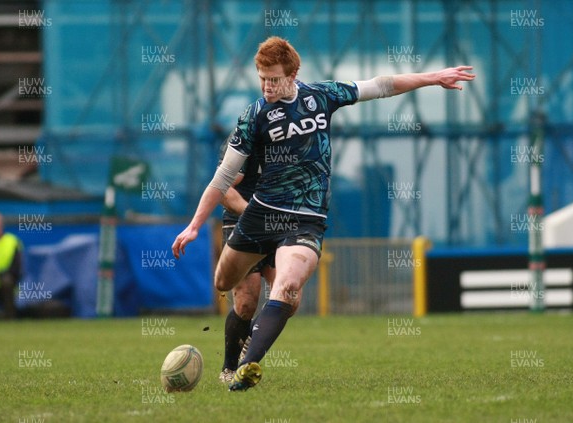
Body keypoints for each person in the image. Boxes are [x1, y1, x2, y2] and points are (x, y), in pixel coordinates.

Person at [172, 36, 475, 391]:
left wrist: (433, 76)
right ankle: (234, 356)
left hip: (305, 218)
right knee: (232, 289)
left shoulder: (321, 97)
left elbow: (381, 85)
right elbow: (223, 180)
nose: (267, 87)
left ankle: (245, 368)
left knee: (287, 289)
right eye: (262, 79)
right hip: (257, 213)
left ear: (294, 73)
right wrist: (194, 226)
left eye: (274, 79)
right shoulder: (253, 117)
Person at [216, 133, 303, 383]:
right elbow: (223, 190)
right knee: (245, 301)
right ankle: (229, 368)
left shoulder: (299, 140)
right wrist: (255, 214)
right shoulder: (243, 140)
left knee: (290, 298)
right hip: (243, 222)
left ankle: (250, 346)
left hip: (281, 223)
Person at [0, 211, 23, 319]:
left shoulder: (12, 241)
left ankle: (9, 317)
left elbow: (16, 269)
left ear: (0, 225)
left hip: (4, 281)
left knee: (7, 281)